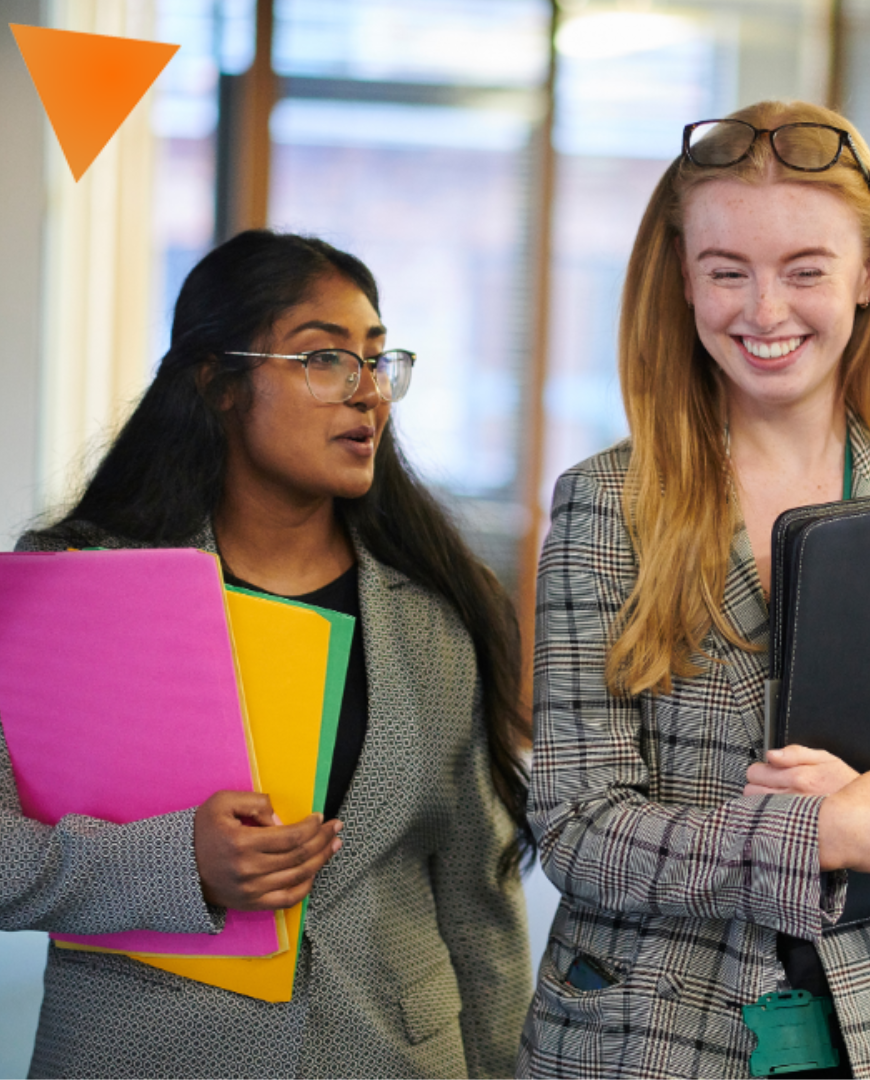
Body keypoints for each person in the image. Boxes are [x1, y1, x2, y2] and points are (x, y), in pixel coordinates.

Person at [517, 100, 870, 1079]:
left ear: (868, 274)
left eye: (804, 271)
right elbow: (576, 827)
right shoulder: (608, 505)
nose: (763, 312)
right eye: (726, 271)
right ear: (682, 282)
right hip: (655, 1039)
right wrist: (810, 836)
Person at [3, 230, 533, 1079]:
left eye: (376, 360)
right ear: (218, 383)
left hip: (390, 1056)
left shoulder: (438, 612)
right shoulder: (77, 581)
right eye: (324, 359)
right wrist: (181, 865)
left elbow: (480, 894)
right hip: (146, 1053)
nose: (367, 394)